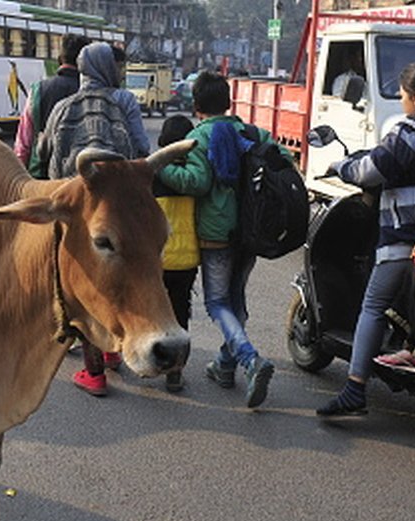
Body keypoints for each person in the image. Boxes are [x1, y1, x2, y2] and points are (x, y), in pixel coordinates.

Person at [317, 62, 415, 416]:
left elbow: (372, 169)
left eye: (402, 95)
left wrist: (341, 166)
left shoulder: (410, 131)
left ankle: (355, 388)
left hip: (408, 238)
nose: (402, 102)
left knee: (372, 306)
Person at [157, 71, 286, 409]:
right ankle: (224, 366)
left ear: (196, 105)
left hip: (217, 233)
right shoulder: (251, 131)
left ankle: (249, 359)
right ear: (229, 102)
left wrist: (159, 169)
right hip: (253, 230)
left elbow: (197, 182)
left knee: (217, 303)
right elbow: (282, 162)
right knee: (236, 299)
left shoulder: (200, 136)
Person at [37, 41, 151, 396]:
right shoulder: (121, 103)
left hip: (77, 209)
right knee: (119, 277)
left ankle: (95, 374)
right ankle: (116, 345)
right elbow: (141, 150)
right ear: (107, 69)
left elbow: (43, 151)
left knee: (86, 286)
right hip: (117, 210)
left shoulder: (61, 106)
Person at [153, 114, 199, 392]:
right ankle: (176, 372)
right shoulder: (194, 177)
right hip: (187, 259)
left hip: (158, 259)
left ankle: (153, 361)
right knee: (180, 315)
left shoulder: (153, 175)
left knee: (155, 314)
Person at [13, 33, 90, 178]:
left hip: (40, 179)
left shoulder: (38, 90)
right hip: (79, 183)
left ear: (60, 58)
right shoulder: (92, 93)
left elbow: (23, 145)